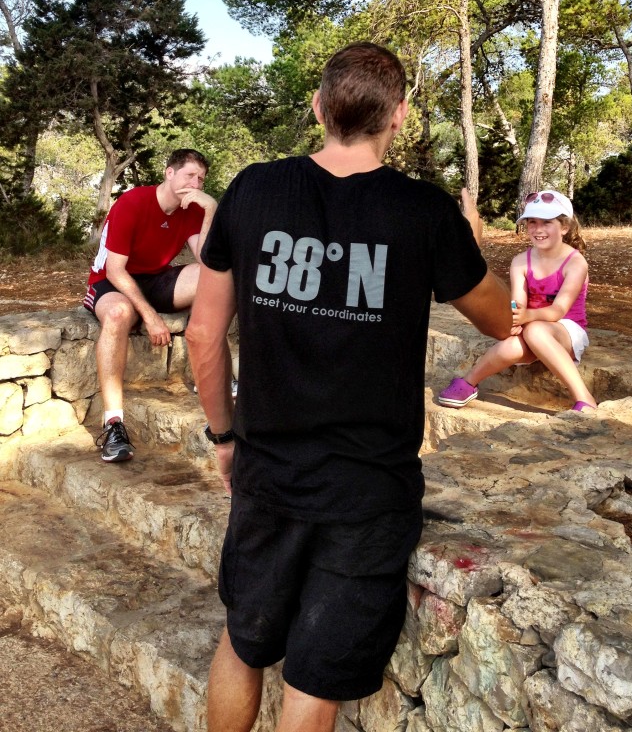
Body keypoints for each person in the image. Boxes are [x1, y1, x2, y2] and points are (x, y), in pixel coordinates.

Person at [185, 42, 511, 732]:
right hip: (369, 489)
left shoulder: (251, 189)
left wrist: (223, 438)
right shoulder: (421, 212)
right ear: (398, 116)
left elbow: (202, 336)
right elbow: (495, 315)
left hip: (267, 472)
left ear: (317, 107)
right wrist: (467, 242)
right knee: (315, 680)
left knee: (242, 644)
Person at [84, 148, 217, 462]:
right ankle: (114, 424)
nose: (195, 183)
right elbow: (115, 270)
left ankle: (212, 377)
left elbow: (210, 263)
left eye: (201, 179)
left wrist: (210, 210)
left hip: (156, 279)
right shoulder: (132, 203)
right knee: (119, 313)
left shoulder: (193, 210)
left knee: (216, 281)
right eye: (189, 175)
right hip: (111, 280)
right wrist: (150, 316)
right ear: (169, 173)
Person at [438, 188, 598, 414]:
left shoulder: (575, 263)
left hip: (567, 329)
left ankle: (584, 398)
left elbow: (559, 309)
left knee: (535, 332)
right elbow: (517, 302)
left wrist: (528, 317)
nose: (538, 229)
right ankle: (469, 382)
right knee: (512, 345)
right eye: (532, 222)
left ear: (564, 227)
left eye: (546, 222)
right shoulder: (521, 262)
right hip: (532, 325)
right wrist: (514, 319)